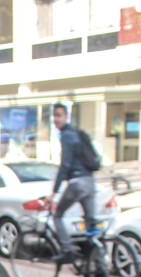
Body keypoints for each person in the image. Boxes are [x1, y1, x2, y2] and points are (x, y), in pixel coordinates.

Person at [46, 102, 97, 264]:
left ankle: (67, 250)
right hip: (90, 182)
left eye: (58, 115)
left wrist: (55, 191)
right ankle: (99, 266)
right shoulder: (77, 133)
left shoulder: (67, 135)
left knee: (58, 215)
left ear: (66, 117)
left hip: (77, 183)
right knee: (91, 224)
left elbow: (65, 165)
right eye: (54, 115)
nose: (55, 119)